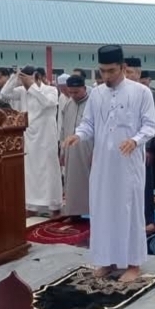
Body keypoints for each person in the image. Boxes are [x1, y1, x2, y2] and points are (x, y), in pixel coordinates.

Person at [63, 45, 155, 282]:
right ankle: (107, 260)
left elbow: (150, 125)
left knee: (129, 210)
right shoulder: (97, 94)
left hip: (128, 163)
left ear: (123, 67)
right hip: (103, 165)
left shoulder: (141, 92)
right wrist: (78, 135)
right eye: (102, 71)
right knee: (103, 210)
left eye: (111, 71)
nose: (106, 76)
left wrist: (135, 141)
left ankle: (133, 264)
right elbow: (89, 124)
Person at [0, 65, 62, 216]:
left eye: (26, 79)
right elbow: (4, 94)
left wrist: (32, 85)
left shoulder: (51, 90)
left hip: (46, 136)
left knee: (49, 169)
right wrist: (15, 78)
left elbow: (48, 103)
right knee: (30, 170)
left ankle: (54, 205)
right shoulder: (22, 91)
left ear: (37, 77)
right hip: (29, 135)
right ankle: (32, 206)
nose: (25, 83)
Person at [126, 57, 155, 232]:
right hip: (123, 149)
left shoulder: (147, 93)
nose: (126, 75)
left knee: (145, 186)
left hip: (143, 148)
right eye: (124, 71)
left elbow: (152, 124)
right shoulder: (119, 91)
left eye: (130, 72)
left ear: (138, 73)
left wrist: (149, 148)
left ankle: (148, 220)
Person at [60, 75, 93, 219]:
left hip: (88, 149)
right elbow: (63, 128)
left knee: (92, 183)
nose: (73, 95)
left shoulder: (93, 103)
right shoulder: (68, 104)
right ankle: (74, 213)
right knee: (72, 183)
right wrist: (62, 149)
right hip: (71, 150)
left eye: (76, 92)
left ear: (84, 88)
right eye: (70, 92)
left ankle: (96, 213)